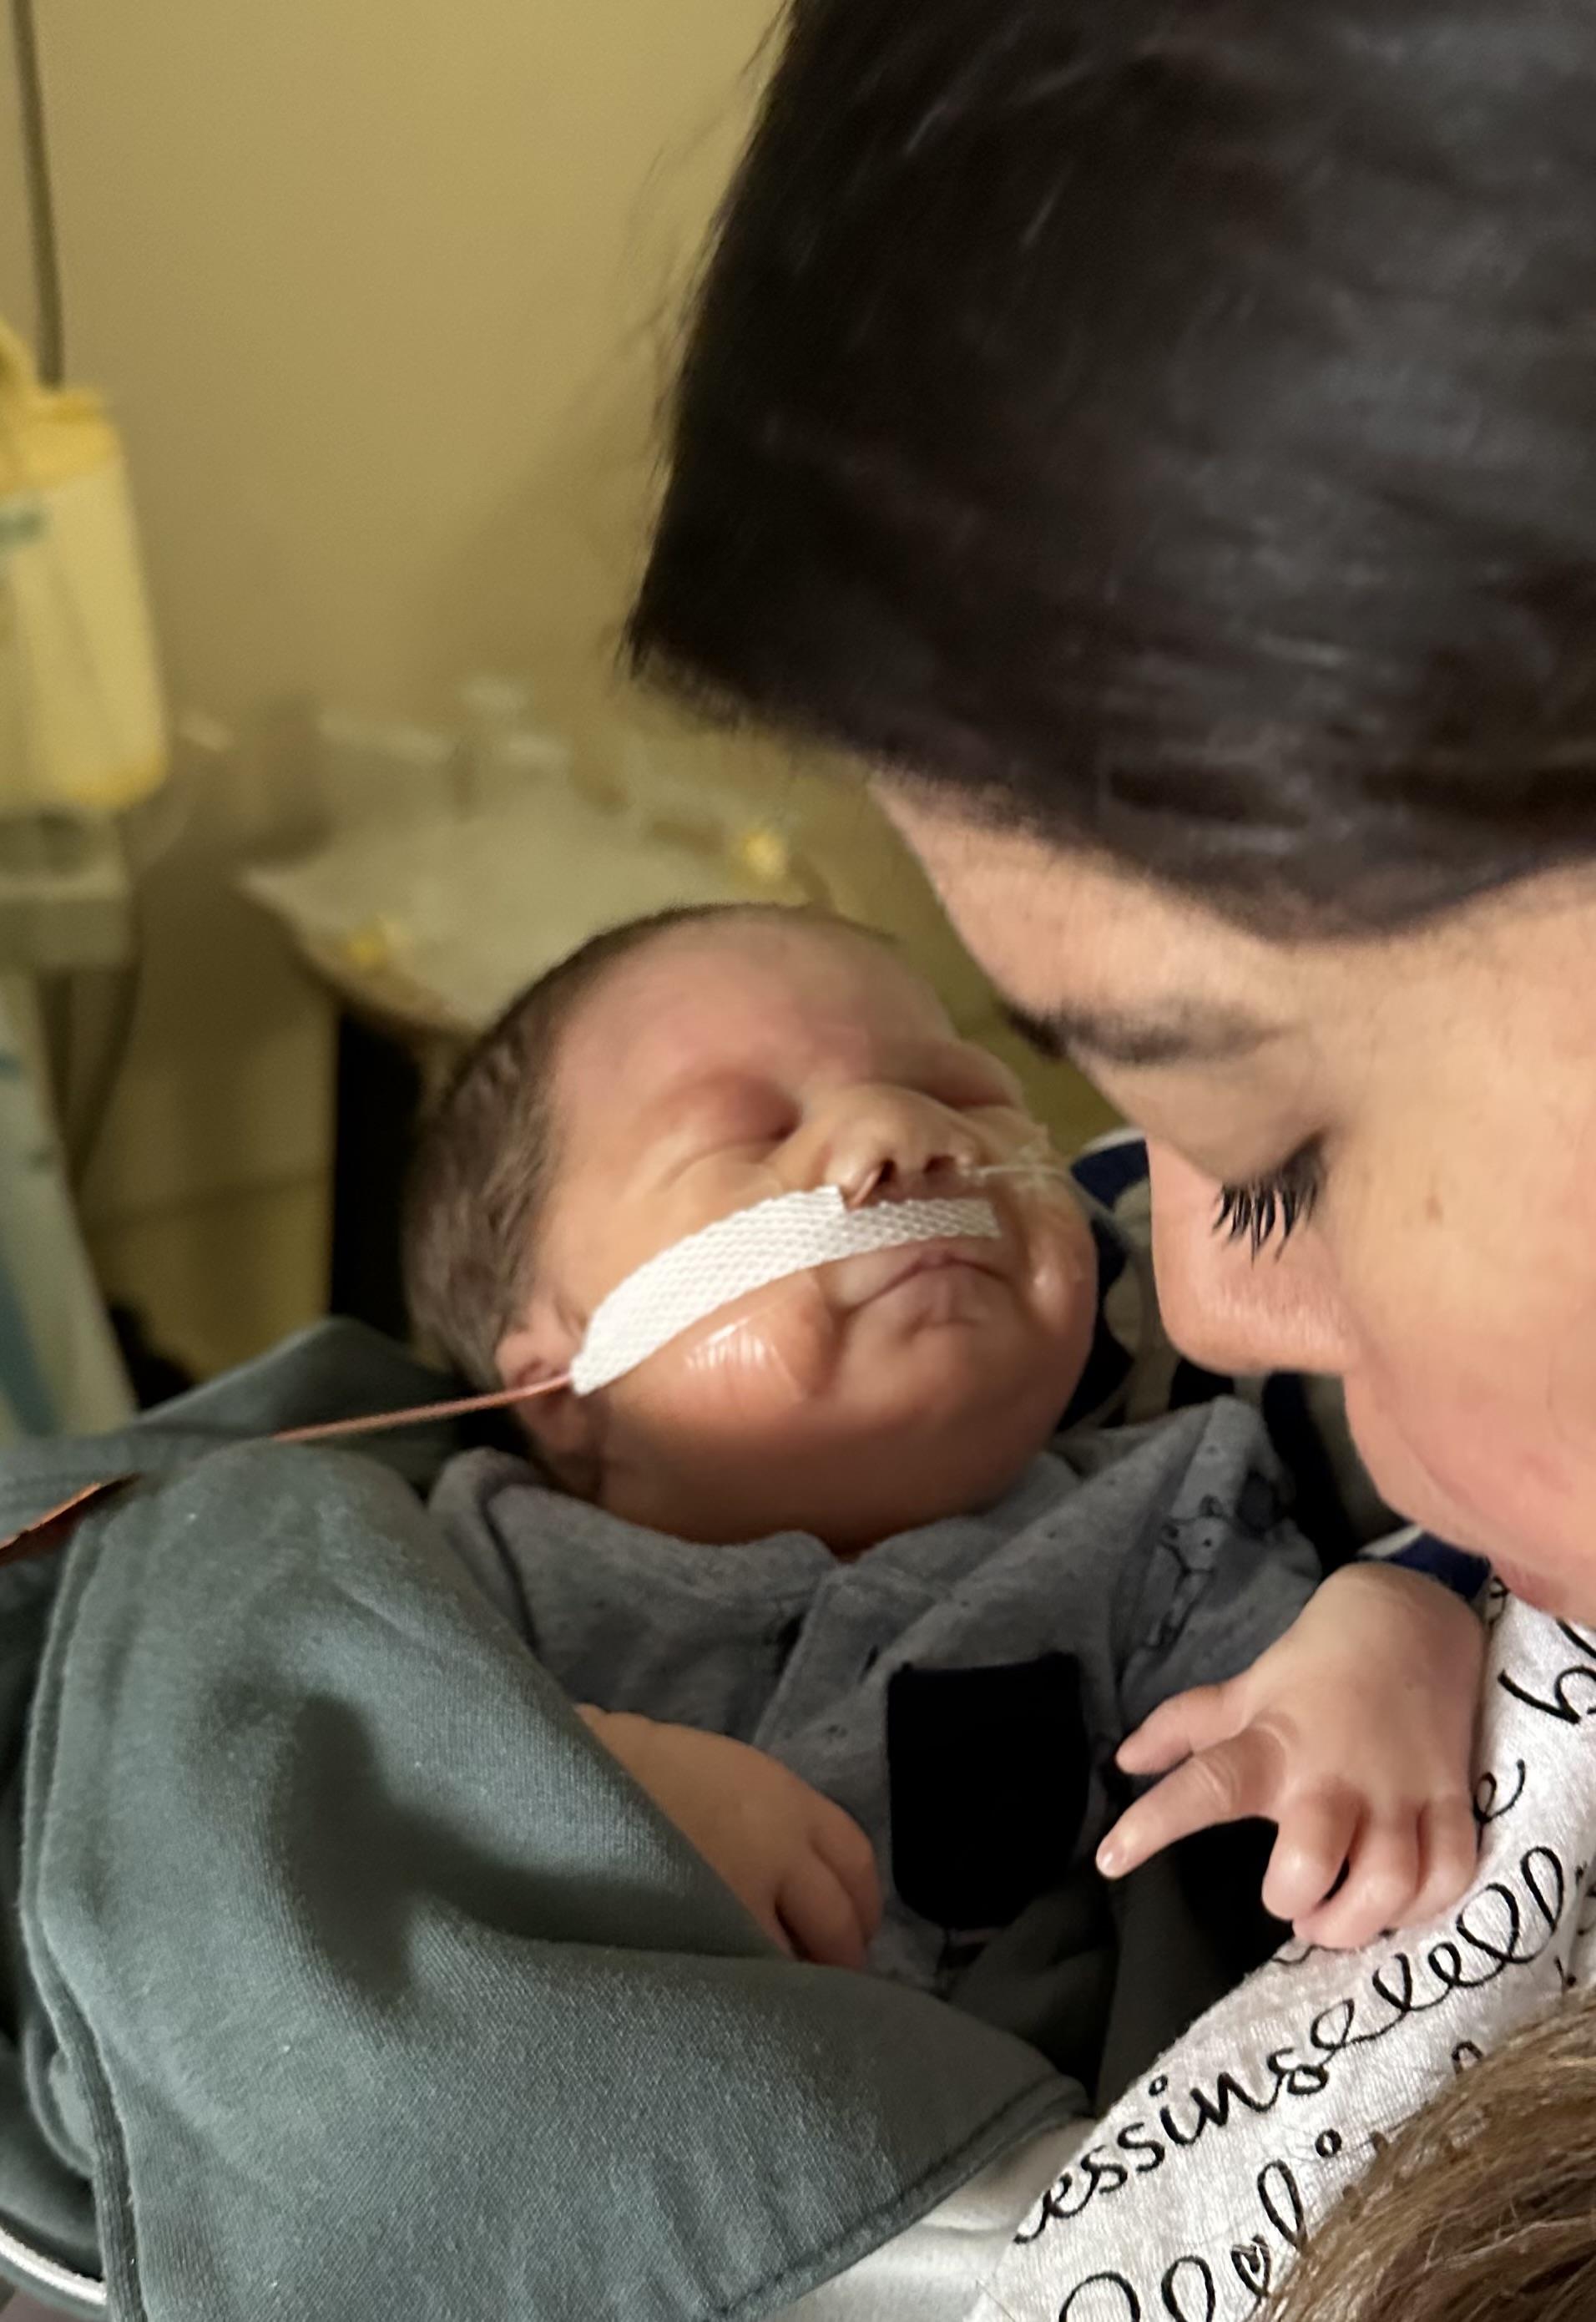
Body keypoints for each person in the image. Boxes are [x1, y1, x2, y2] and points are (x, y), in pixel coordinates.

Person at [622, 0, 1596, 2299]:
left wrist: (1397, 1597)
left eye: (1262, 1152)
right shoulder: (489, 1573)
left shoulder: (1249, 1485)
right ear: (542, 1359)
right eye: (745, 1133)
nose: (1205, 1287)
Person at [401, 901, 1480, 2016]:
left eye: (964, 1095)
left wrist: (1389, 1635)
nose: (903, 1138)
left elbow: (1276, 1730)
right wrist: (586, 1780)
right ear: (561, 1385)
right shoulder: (464, 1565)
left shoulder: (1168, 1515)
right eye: (752, 1134)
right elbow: (314, 1788)